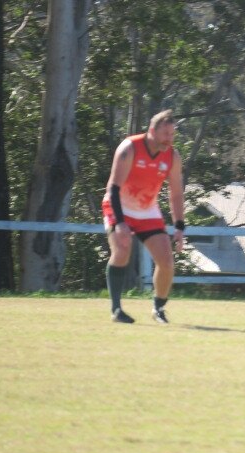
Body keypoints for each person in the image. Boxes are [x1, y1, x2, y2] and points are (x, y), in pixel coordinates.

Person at [102, 109, 185, 324]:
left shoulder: (172, 156)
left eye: (172, 134)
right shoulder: (129, 148)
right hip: (118, 205)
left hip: (147, 210)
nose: (169, 139)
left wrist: (179, 226)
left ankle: (158, 309)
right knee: (121, 250)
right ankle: (116, 309)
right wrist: (120, 223)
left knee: (166, 261)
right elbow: (113, 188)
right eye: (166, 134)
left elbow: (176, 193)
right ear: (152, 131)